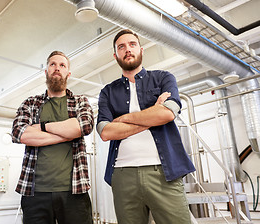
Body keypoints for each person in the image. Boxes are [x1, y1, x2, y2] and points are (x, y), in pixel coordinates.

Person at [96, 29, 196, 224]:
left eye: (132, 44)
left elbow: (167, 113)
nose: (127, 49)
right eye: (121, 47)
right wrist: (152, 115)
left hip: (164, 173)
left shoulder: (163, 78)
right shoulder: (107, 92)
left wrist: (122, 119)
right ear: (115, 55)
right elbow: (106, 132)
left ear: (141, 50)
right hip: (123, 175)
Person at [12, 50, 94, 224]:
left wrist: (42, 126)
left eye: (62, 65)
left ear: (68, 73)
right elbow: (20, 133)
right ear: (46, 71)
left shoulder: (80, 101)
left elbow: (84, 126)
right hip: (35, 193)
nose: (57, 68)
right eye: (53, 64)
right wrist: (67, 134)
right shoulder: (31, 103)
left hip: (74, 191)